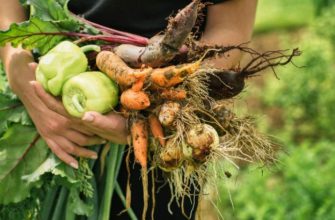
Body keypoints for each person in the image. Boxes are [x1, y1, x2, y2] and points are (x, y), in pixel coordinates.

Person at [0, 0, 257, 218]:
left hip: (167, 125)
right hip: (47, 103)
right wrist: (16, 65)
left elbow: (231, 24)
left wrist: (152, 106)